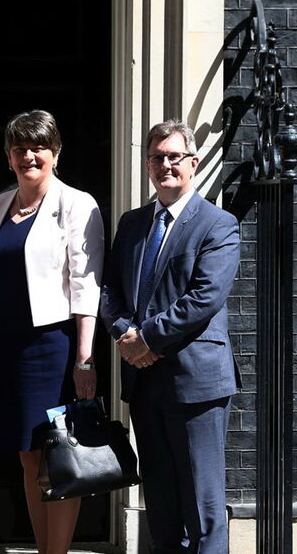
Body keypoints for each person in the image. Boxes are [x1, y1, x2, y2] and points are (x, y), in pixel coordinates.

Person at [101, 120, 241, 554]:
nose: (165, 165)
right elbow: (110, 290)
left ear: (193, 163)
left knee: (202, 505)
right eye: (157, 157)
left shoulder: (218, 224)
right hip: (145, 385)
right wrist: (124, 332)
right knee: (160, 503)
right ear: (147, 165)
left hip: (196, 382)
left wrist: (147, 339)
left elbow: (205, 297)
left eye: (174, 157)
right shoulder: (133, 223)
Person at [0, 110, 104, 554]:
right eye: (19, 148)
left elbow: (86, 283)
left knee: (59, 455)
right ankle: (42, 547)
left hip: (52, 345)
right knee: (28, 455)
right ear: (9, 155)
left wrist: (84, 359)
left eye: (38, 147)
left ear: (55, 152)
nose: (28, 156)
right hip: (7, 347)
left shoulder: (77, 203)